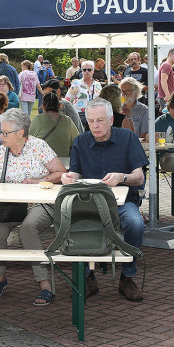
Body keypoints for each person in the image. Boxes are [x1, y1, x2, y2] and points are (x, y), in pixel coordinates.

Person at [61, 99, 147, 302]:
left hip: (123, 202)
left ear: (110, 120)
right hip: (88, 202)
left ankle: (127, 276)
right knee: (69, 222)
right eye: (90, 121)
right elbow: (74, 173)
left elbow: (139, 177)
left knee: (135, 225)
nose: (95, 126)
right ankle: (87, 277)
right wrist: (68, 178)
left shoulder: (127, 138)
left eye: (100, 120)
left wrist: (122, 177)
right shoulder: (81, 141)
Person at [0, 109, 67, 305]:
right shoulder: (0, 152)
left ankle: (45, 284)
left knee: (28, 229)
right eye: (1, 132)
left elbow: (61, 173)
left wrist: (40, 181)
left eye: (5, 133)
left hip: (37, 204)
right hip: (9, 206)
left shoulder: (38, 146)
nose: (1, 136)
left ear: (20, 133)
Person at [28, 92, 78, 157]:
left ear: (43, 106)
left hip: (42, 163)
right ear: (60, 105)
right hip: (63, 163)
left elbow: (27, 141)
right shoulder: (67, 120)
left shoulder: (38, 119)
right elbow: (76, 141)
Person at [66, 60, 103, 129]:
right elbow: (68, 99)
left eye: (89, 70)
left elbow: (101, 100)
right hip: (80, 115)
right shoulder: (76, 84)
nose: (87, 71)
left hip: (94, 116)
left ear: (93, 71)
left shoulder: (98, 85)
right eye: (84, 69)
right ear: (81, 71)